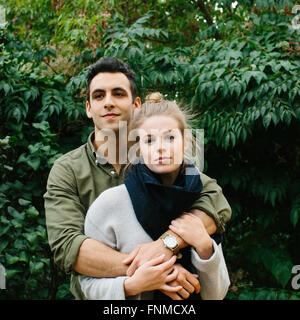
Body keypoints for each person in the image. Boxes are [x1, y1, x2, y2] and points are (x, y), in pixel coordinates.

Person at [44, 57, 231, 300]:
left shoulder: (159, 158)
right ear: (88, 108)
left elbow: (214, 199)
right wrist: (157, 270)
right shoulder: (66, 169)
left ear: (136, 105)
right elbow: (68, 247)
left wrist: (166, 244)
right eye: (99, 96)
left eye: (119, 94)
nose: (108, 102)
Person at [78, 93, 230, 300]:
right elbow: (88, 286)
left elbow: (217, 294)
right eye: (149, 140)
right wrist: (132, 285)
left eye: (170, 137)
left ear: (185, 142)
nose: (160, 147)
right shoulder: (109, 204)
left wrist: (204, 246)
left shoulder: (201, 200)